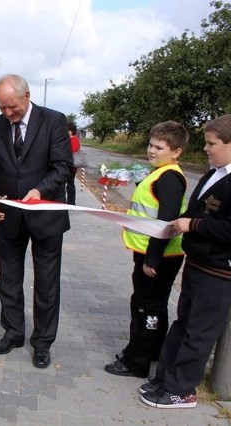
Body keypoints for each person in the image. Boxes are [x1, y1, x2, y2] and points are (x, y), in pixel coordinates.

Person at [0, 74, 72, 368]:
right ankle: (13, 332)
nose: (7, 114)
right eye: (2, 108)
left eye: (13, 107)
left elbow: (63, 167)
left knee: (46, 283)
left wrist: (39, 190)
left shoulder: (53, 121)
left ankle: (42, 343)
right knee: (9, 279)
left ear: (27, 95)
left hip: (45, 215)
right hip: (9, 216)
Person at [139, 114, 231, 409]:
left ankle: (182, 390)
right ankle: (165, 379)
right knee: (183, 325)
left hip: (219, 273)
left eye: (211, 144)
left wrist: (193, 226)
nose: (205, 149)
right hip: (197, 264)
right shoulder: (213, 173)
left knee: (198, 333)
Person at [104, 121, 188, 379]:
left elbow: (165, 221)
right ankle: (153, 351)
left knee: (145, 307)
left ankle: (136, 362)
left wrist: (152, 258)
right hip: (155, 254)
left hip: (158, 257)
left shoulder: (169, 178)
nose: (152, 150)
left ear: (176, 151)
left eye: (159, 147)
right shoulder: (160, 172)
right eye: (151, 144)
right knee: (155, 306)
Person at [66, 122, 81, 205]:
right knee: (69, 184)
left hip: (71, 166)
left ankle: (71, 202)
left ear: (70, 131)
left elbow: (71, 151)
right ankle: (70, 202)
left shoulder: (73, 140)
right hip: (70, 166)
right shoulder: (72, 139)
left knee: (70, 184)